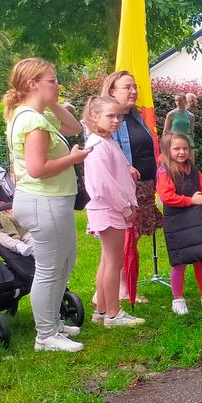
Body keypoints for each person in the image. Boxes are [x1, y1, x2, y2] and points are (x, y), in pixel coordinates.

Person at [4, 58, 89, 352]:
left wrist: (51, 102)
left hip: (54, 202)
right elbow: (38, 168)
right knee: (50, 269)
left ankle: (53, 323)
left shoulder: (38, 115)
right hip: (44, 202)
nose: (57, 85)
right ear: (32, 84)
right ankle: (45, 336)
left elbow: (74, 126)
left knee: (64, 264)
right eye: (51, 81)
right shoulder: (30, 120)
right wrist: (74, 159)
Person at [102, 71, 164, 303]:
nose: (134, 91)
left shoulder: (135, 116)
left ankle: (121, 288)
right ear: (112, 91)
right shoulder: (110, 121)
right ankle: (121, 291)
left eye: (135, 86)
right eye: (127, 87)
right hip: (127, 189)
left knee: (131, 240)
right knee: (123, 240)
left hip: (145, 186)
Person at [83, 96, 144, 329]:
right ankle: (113, 313)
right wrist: (125, 207)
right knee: (114, 263)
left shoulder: (106, 141)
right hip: (109, 210)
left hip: (110, 209)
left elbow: (115, 174)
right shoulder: (97, 146)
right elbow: (104, 185)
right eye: (111, 116)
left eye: (119, 116)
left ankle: (101, 310)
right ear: (94, 117)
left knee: (107, 260)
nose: (117, 120)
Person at [156, 132, 202, 315]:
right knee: (179, 262)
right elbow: (167, 197)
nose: (182, 152)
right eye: (177, 148)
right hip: (176, 224)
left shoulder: (194, 171)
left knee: (199, 259)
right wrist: (191, 201)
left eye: (185, 148)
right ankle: (177, 299)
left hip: (195, 222)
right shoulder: (165, 172)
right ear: (167, 150)